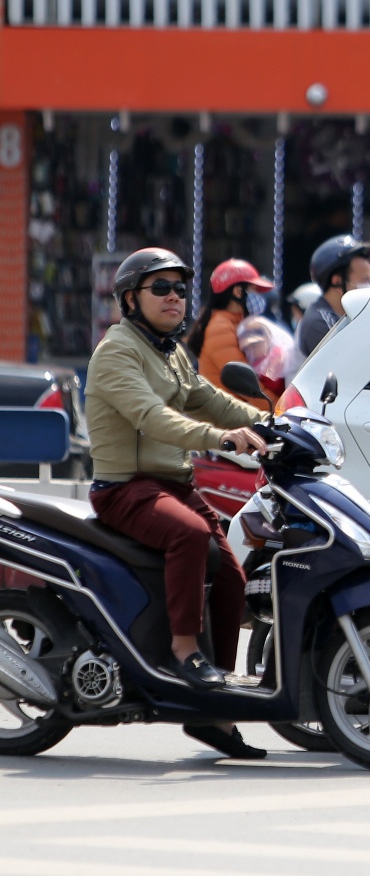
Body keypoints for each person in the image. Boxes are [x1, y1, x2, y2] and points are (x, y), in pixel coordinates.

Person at [84, 247, 269, 759]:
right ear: (129, 299)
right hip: (126, 487)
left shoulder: (171, 349)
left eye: (179, 288)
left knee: (233, 574)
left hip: (173, 485)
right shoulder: (118, 351)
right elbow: (151, 417)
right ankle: (184, 651)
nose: (174, 297)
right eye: (160, 287)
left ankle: (216, 711)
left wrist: (268, 418)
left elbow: (208, 397)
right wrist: (221, 438)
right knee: (188, 536)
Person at [185, 258, 275, 410]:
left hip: (239, 414)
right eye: (253, 290)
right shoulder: (220, 328)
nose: (258, 297)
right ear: (238, 292)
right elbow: (247, 386)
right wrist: (279, 408)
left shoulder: (238, 323)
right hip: (228, 421)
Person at [296, 234, 370, 357]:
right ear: (337, 281)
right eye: (364, 281)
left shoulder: (347, 317)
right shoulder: (318, 323)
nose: (368, 286)